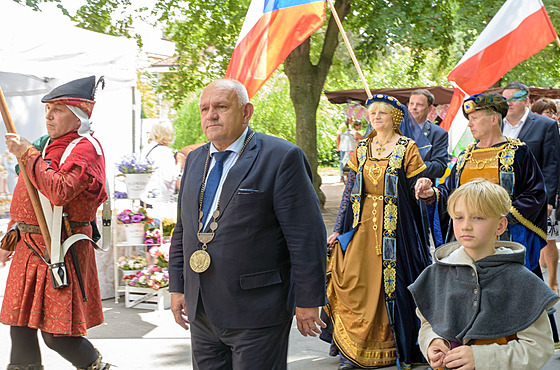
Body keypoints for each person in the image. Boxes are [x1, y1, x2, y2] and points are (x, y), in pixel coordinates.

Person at [168, 79, 327, 369]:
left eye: (221, 107)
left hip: (258, 309)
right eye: (204, 109)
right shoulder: (194, 159)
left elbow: (306, 237)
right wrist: (177, 287)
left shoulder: (281, 157)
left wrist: (307, 301)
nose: (210, 115)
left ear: (246, 112)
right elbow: (183, 230)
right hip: (202, 308)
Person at [415, 92, 560, 349]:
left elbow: (536, 194)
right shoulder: (465, 156)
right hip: (466, 240)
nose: (470, 123)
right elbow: (449, 193)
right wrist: (431, 194)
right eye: (468, 118)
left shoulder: (518, 152)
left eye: (475, 117)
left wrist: (499, 215)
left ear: (494, 119)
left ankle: (511, 342)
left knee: (509, 293)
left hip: (504, 238)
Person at [0, 76, 111, 369]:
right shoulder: (45, 145)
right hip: (29, 247)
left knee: (57, 334)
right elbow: (26, 202)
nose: (48, 116)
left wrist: (27, 154)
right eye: (47, 109)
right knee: (20, 326)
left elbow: (59, 191)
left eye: (58, 110)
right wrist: (8, 242)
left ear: (78, 116)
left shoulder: (86, 149)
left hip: (61, 249)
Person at [324, 94, 431, 369]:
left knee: (390, 286)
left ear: (394, 118)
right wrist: (338, 229)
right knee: (357, 282)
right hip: (362, 226)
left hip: (398, 230)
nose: (376, 118)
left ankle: (395, 347)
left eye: (382, 113)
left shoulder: (407, 147)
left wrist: (425, 190)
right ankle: (355, 349)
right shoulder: (362, 147)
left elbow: (416, 187)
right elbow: (350, 189)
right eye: (372, 114)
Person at [409, 179, 558, 370]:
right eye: (459, 217)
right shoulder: (438, 272)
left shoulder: (521, 280)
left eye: (478, 218)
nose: (466, 226)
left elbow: (539, 347)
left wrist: (482, 358)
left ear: (500, 226)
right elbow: (428, 322)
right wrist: (433, 342)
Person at [531, 97, 560, 295]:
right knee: (537, 238)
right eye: (545, 111)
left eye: (552, 112)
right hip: (531, 195)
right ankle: (541, 270)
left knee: (550, 237)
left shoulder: (555, 133)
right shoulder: (528, 134)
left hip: (550, 195)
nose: (550, 115)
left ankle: (552, 282)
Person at [140, 120, 178, 226]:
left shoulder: (146, 150)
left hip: (146, 198)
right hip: (161, 202)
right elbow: (169, 176)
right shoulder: (165, 152)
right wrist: (180, 164)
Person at [408, 89, 449, 182]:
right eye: (411, 104)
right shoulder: (395, 129)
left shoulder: (439, 134)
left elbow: (440, 168)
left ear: (430, 109)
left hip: (420, 192)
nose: (414, 107)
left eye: (419, 105)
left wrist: (412, 165)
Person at [336, 117, 361, 182]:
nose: (352, 121)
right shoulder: (343, 126)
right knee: (343, 161)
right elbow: (338, 137)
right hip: (344, 147)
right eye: (351, 119)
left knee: (347, 162)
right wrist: (338, 147)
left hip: (348, 147)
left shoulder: (348, 126)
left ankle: (346, 176)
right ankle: (342, 176)